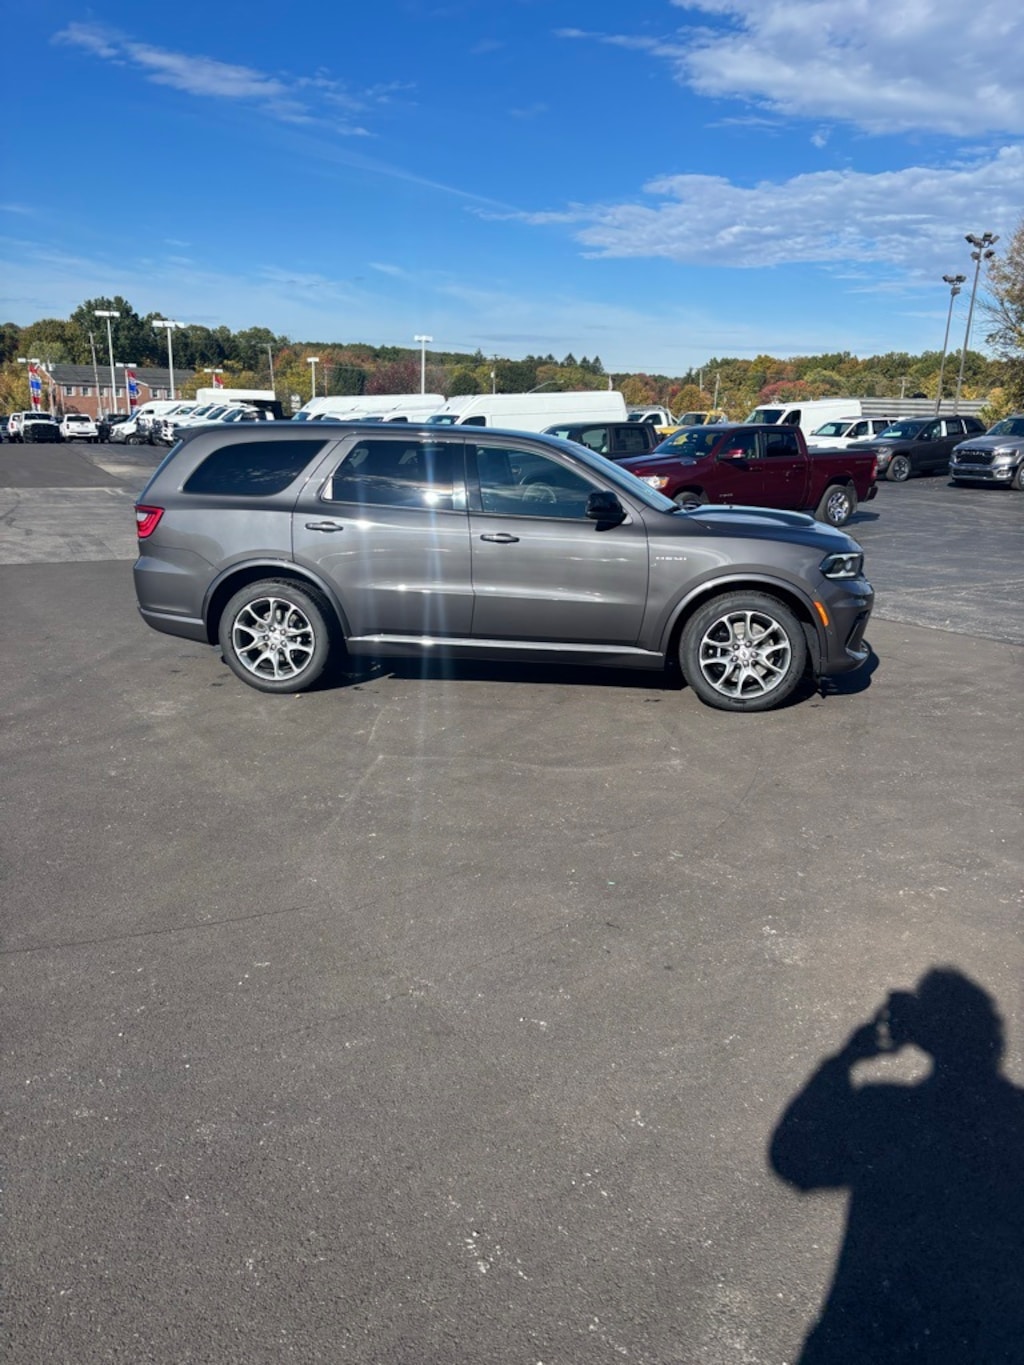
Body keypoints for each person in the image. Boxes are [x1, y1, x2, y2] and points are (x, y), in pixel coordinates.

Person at [770, 969, 1024, 1363]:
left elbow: (793, 1159)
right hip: (990, 1343)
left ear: (919, 1034)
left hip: (869, 1339)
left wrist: (845, 1059)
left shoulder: (884, 1112)